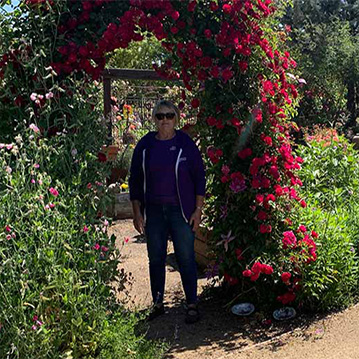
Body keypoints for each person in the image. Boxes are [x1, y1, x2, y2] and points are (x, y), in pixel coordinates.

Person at [129, 99, 205, 324]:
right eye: (160, 116)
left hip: (180, 211)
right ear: (154, 119)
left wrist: (198, 210)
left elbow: (199, 177)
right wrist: (136, 212)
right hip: (153, 210)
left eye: (169, 115)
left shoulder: (185, 144)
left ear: (176, 119)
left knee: (186, 257)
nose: (164, 120)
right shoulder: (145, 145)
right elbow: (135, 179)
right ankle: (158, 303)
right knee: (156, 258)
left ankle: (192, 303)